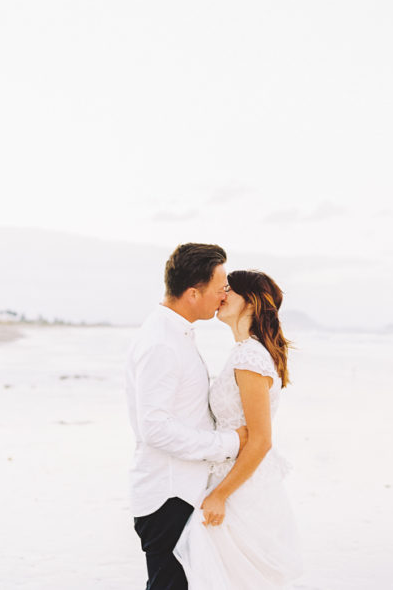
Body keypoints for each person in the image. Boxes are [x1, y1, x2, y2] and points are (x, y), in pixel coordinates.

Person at [125, 243, 248, 590]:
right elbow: (155, 428)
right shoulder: (162, 342)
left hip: (179, 490)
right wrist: (229, 442)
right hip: (168, 494)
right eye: (220, 287)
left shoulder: (172, 333)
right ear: (193, 292)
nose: (224, 295)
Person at [174, 270, 303, 589]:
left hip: (241, 491)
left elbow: (260, 440)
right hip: (235, 481)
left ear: (251, 301)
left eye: (228, 290)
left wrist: (219, 495)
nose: (220, 295)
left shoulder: (249, 357)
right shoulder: (245, 353)